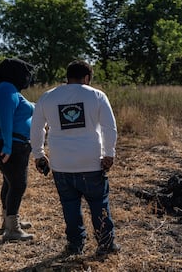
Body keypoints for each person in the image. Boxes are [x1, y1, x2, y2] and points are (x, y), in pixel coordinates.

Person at [30, 60, 120, 256]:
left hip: (61, 164)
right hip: (91, 162)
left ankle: (75, 245)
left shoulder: (48, 97)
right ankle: (105, 244)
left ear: (68, 77)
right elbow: (109, 128)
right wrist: (109, 154)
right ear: (86, 78)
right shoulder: (96, 95)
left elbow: (36, 128)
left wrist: (38, 154)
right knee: (99, 204)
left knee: (70, 206)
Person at [0, 58, 35, 241]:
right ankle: (12, 230)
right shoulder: (6, 89)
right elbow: (6, 119)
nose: (27, 77)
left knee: (9, 182)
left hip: (16, 144)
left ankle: (8, 221)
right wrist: (7, 147)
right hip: (11, 145)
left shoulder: (8, 88)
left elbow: (25, 110)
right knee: (18, 184)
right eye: (25, 73)